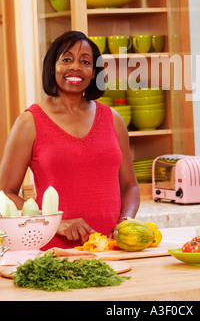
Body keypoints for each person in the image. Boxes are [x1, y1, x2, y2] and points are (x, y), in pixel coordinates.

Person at [0, 31, 140, 249]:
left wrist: (125, 222)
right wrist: (56, 223)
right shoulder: (29, 122)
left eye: (85, 61)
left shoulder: (113, 119)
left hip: (111, 251)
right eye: (66, 59)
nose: (75, 67)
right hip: (53, 254)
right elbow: (4, 193)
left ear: (94, 72)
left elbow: (130, 186)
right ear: (52, 66)